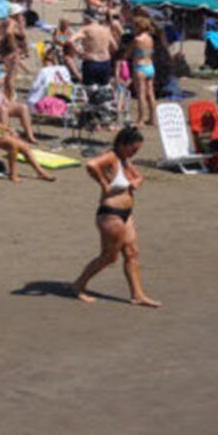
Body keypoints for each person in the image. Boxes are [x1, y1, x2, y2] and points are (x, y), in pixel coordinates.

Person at [71, 127, 159, 307]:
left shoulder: (125, 159)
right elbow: (91, 164)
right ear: (123, 144)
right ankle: (78, 285)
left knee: (132, 253)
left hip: (127, 214)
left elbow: (139, 176)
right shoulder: (111, 156)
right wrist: (103, 183)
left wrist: (137, 181)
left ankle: (137, 295)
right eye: (133, 149)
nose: (134, 153)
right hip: (111, 215)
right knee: (109, 257)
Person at [127, 16, 157, 126]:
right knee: (151, 93)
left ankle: (141, 119)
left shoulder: (137, 40)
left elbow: (128, 53)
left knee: (141, 94)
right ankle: (152, 118)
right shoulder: (150, 38)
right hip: (150, 66)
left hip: (140, 67)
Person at [77, 12, 117, 88]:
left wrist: (79, 52)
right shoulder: (106, 30)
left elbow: (70, 41)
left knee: (90, 90)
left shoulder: (85, 29)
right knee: (104, 89)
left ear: (86, 19)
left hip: (91, 61)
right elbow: (115, 47)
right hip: (105, 62)